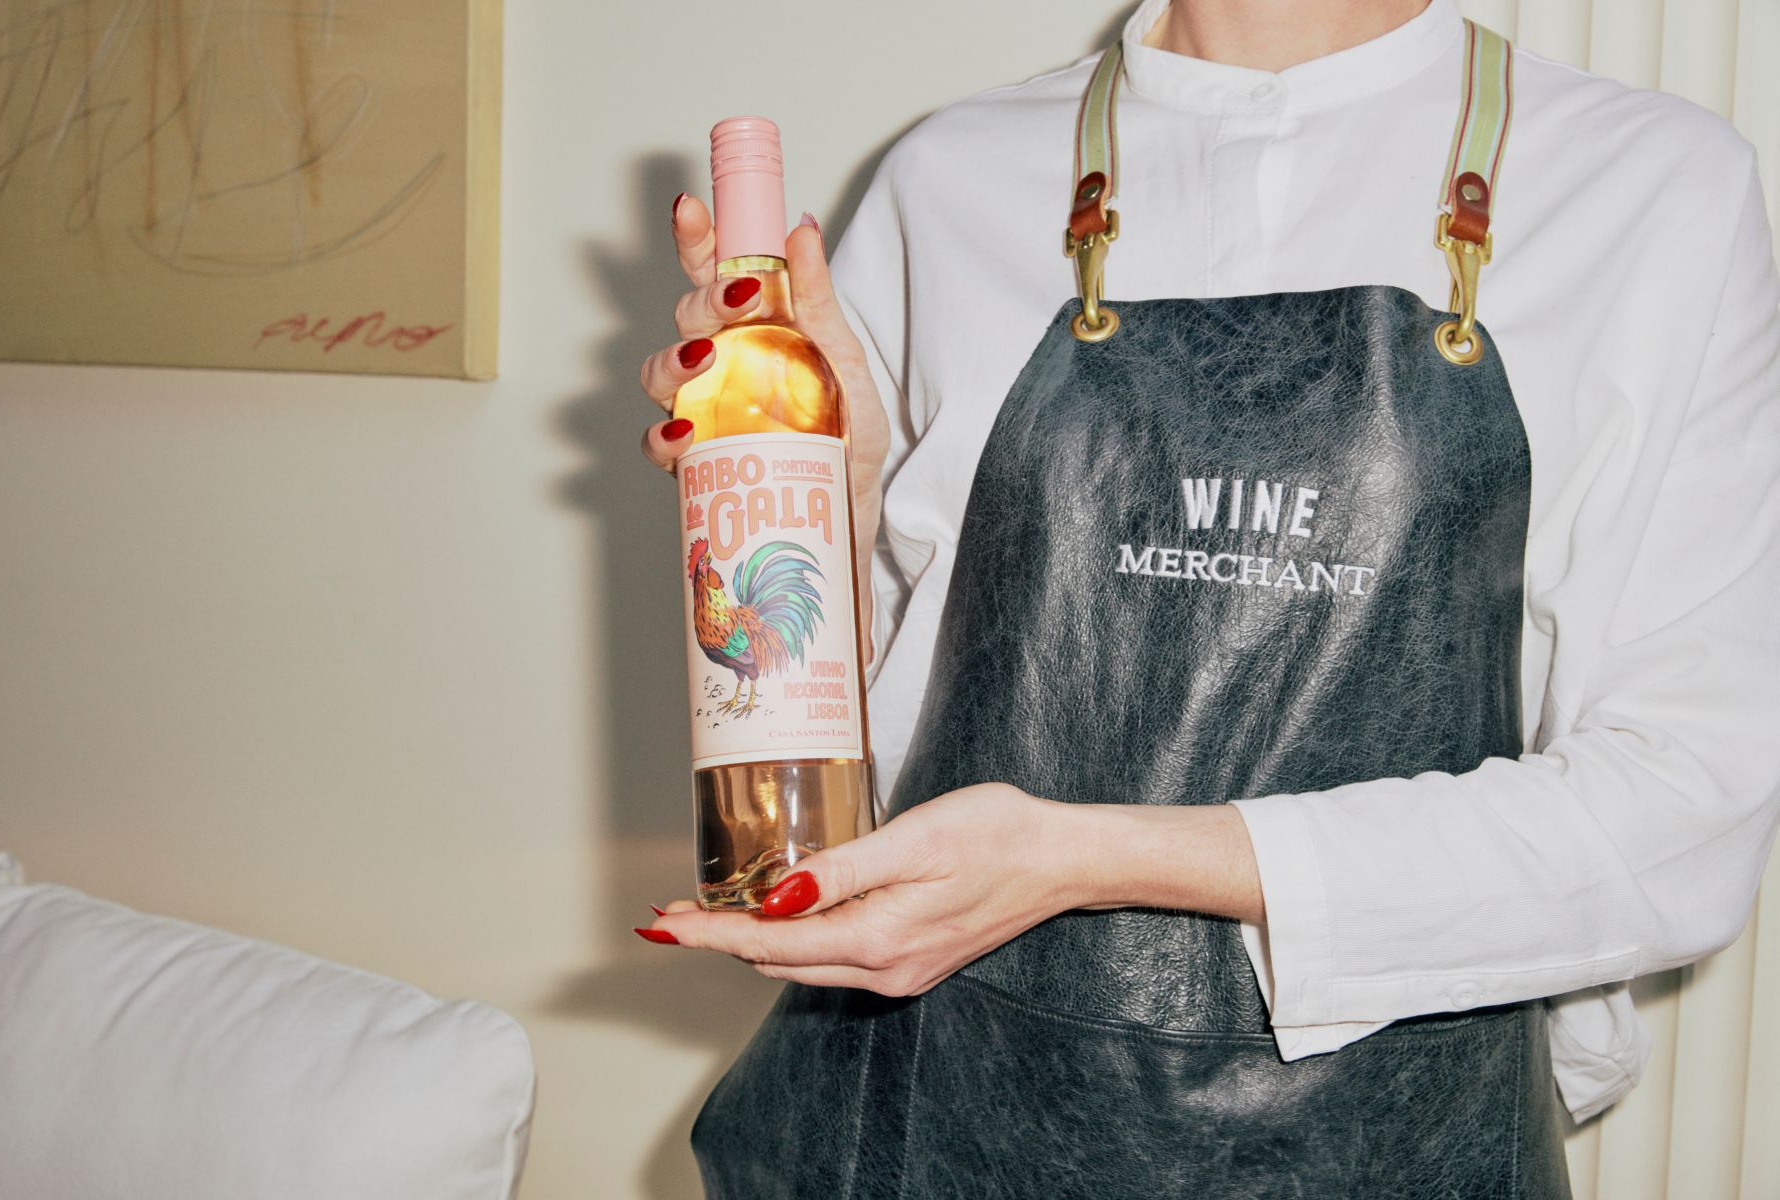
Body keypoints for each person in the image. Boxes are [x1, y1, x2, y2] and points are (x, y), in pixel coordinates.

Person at [633, 0, 1780, 1194]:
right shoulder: (950, 176)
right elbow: (845, 746)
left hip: (1382, 1143)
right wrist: (848, 492)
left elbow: (1684, 806)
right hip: (925, 1117)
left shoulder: (1653, 188)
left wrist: (1092, 856)